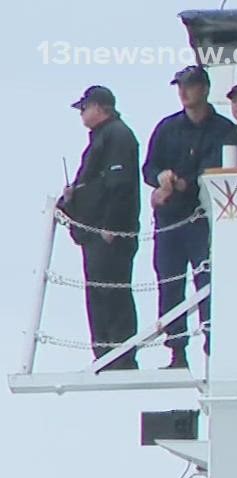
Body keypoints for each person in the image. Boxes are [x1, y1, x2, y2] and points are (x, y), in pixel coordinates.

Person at [143, 65, 234, 371]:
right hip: (169, 220)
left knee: (207, 282)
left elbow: (219, 170)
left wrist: (180, 183)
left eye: (190, 85)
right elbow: (149, 168)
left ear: (204, 89)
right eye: (180, 86)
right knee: (169, 283)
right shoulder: (167, 128)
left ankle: (215, 346)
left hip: (202, 219)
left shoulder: (223, 130)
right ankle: (177, 350)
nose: (183, 91)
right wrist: (161, 178)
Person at [60, 85, 140, 371]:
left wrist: (111, 226)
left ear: (100, 107)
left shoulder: (117, 135)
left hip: (108, 236)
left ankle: (120, 353)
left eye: (85, 107)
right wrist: (67, 202)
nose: (82, 113)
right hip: (94, 234)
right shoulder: (101, 139)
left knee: (112, 292)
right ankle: (106, 353)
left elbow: (119, 186)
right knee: (99, 293)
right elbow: (90, 183)